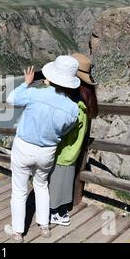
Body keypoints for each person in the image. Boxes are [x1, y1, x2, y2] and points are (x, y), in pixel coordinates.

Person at [4, 56, 81, 242]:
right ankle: (44, 226)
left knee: (19, 190)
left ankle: (17, 231)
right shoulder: (73, 109)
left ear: (51, 77)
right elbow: (65, 129)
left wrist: (26, 83)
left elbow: (10, 100)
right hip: (47, 151)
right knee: (41, 185)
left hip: (24, 147)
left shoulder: (35, 93)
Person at [49, 53, 98, 226]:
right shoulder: (87, 98)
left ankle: (55, 212)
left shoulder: (74, 103)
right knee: (65, 179)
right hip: (74, 149)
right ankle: (61, 211)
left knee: (56, 181)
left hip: (63, 149)